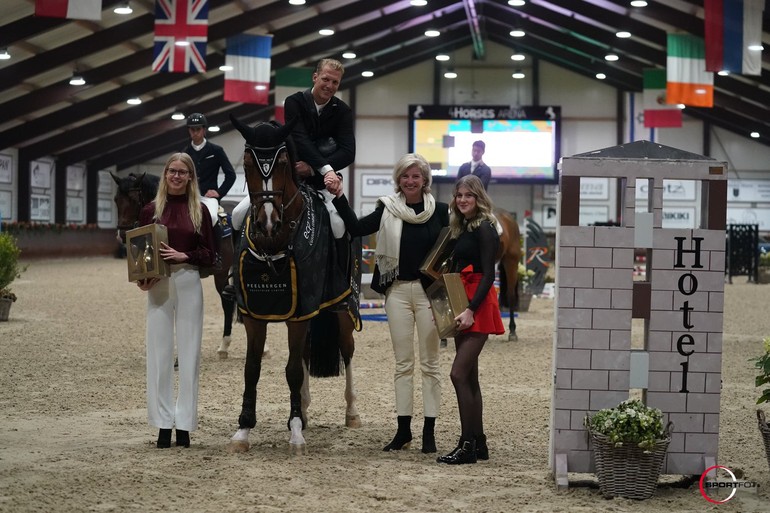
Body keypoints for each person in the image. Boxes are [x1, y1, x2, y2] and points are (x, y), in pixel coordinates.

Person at [326, 153, 448, 454]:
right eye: (405, 176)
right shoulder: (387, 208)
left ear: (425, 180)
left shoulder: (442, 212)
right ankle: (404, 430)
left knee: (431, 364)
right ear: (398, 180)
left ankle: (429, 430)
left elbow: (454, 248)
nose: (410, 181)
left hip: (430, 295)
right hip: (397, 293)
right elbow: (354, 227)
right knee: (403, 364)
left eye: (415, 176)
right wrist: (339, 196)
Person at [136, 153, 216, 449]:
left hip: (188, 281)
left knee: (190, 353)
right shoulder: (150, 210)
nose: (177, 176)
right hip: (158, 284)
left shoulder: (201, 211)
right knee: (158, 354)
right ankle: (162, 424)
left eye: (183, 172)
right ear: (165, 174)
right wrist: (142, 280)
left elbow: (211, 254)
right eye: (172, 171)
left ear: (191, 177)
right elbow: (140, 250)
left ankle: (184, 424)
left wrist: (187, 256)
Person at [231, 58, 355, 235]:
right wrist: (326, 168)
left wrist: (314, 169)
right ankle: (237, 262)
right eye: (325, 79)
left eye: (335, 82)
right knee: (237, 214)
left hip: (321, 184)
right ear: (315, 77)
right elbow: (301, 140)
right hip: (286, 181)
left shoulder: (343, 111)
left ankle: (346, 264)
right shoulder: (294, 102)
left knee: (339, 226)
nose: (329, 85)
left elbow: (348, 153)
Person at [436, 174, 504, 465]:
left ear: (479, 197)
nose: (462, 200)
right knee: (470, 377)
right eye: (459, 195)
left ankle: (466, 445)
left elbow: (489, 274)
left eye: (468, 195)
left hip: (476, 304)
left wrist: (471, 310)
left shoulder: (486, 227)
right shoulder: (462, 226)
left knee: (458, 374)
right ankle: (478, 443)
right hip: (462, 300)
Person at [182, 113, 236, 224]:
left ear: (204, 130)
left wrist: (219, 192)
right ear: (189, 131)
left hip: (209, 198)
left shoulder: (216, 150)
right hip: (189, 197)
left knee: (212, 218)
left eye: (198, 129)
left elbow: (231, 175)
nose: (195, 133)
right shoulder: (185, 153)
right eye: (192, 130)